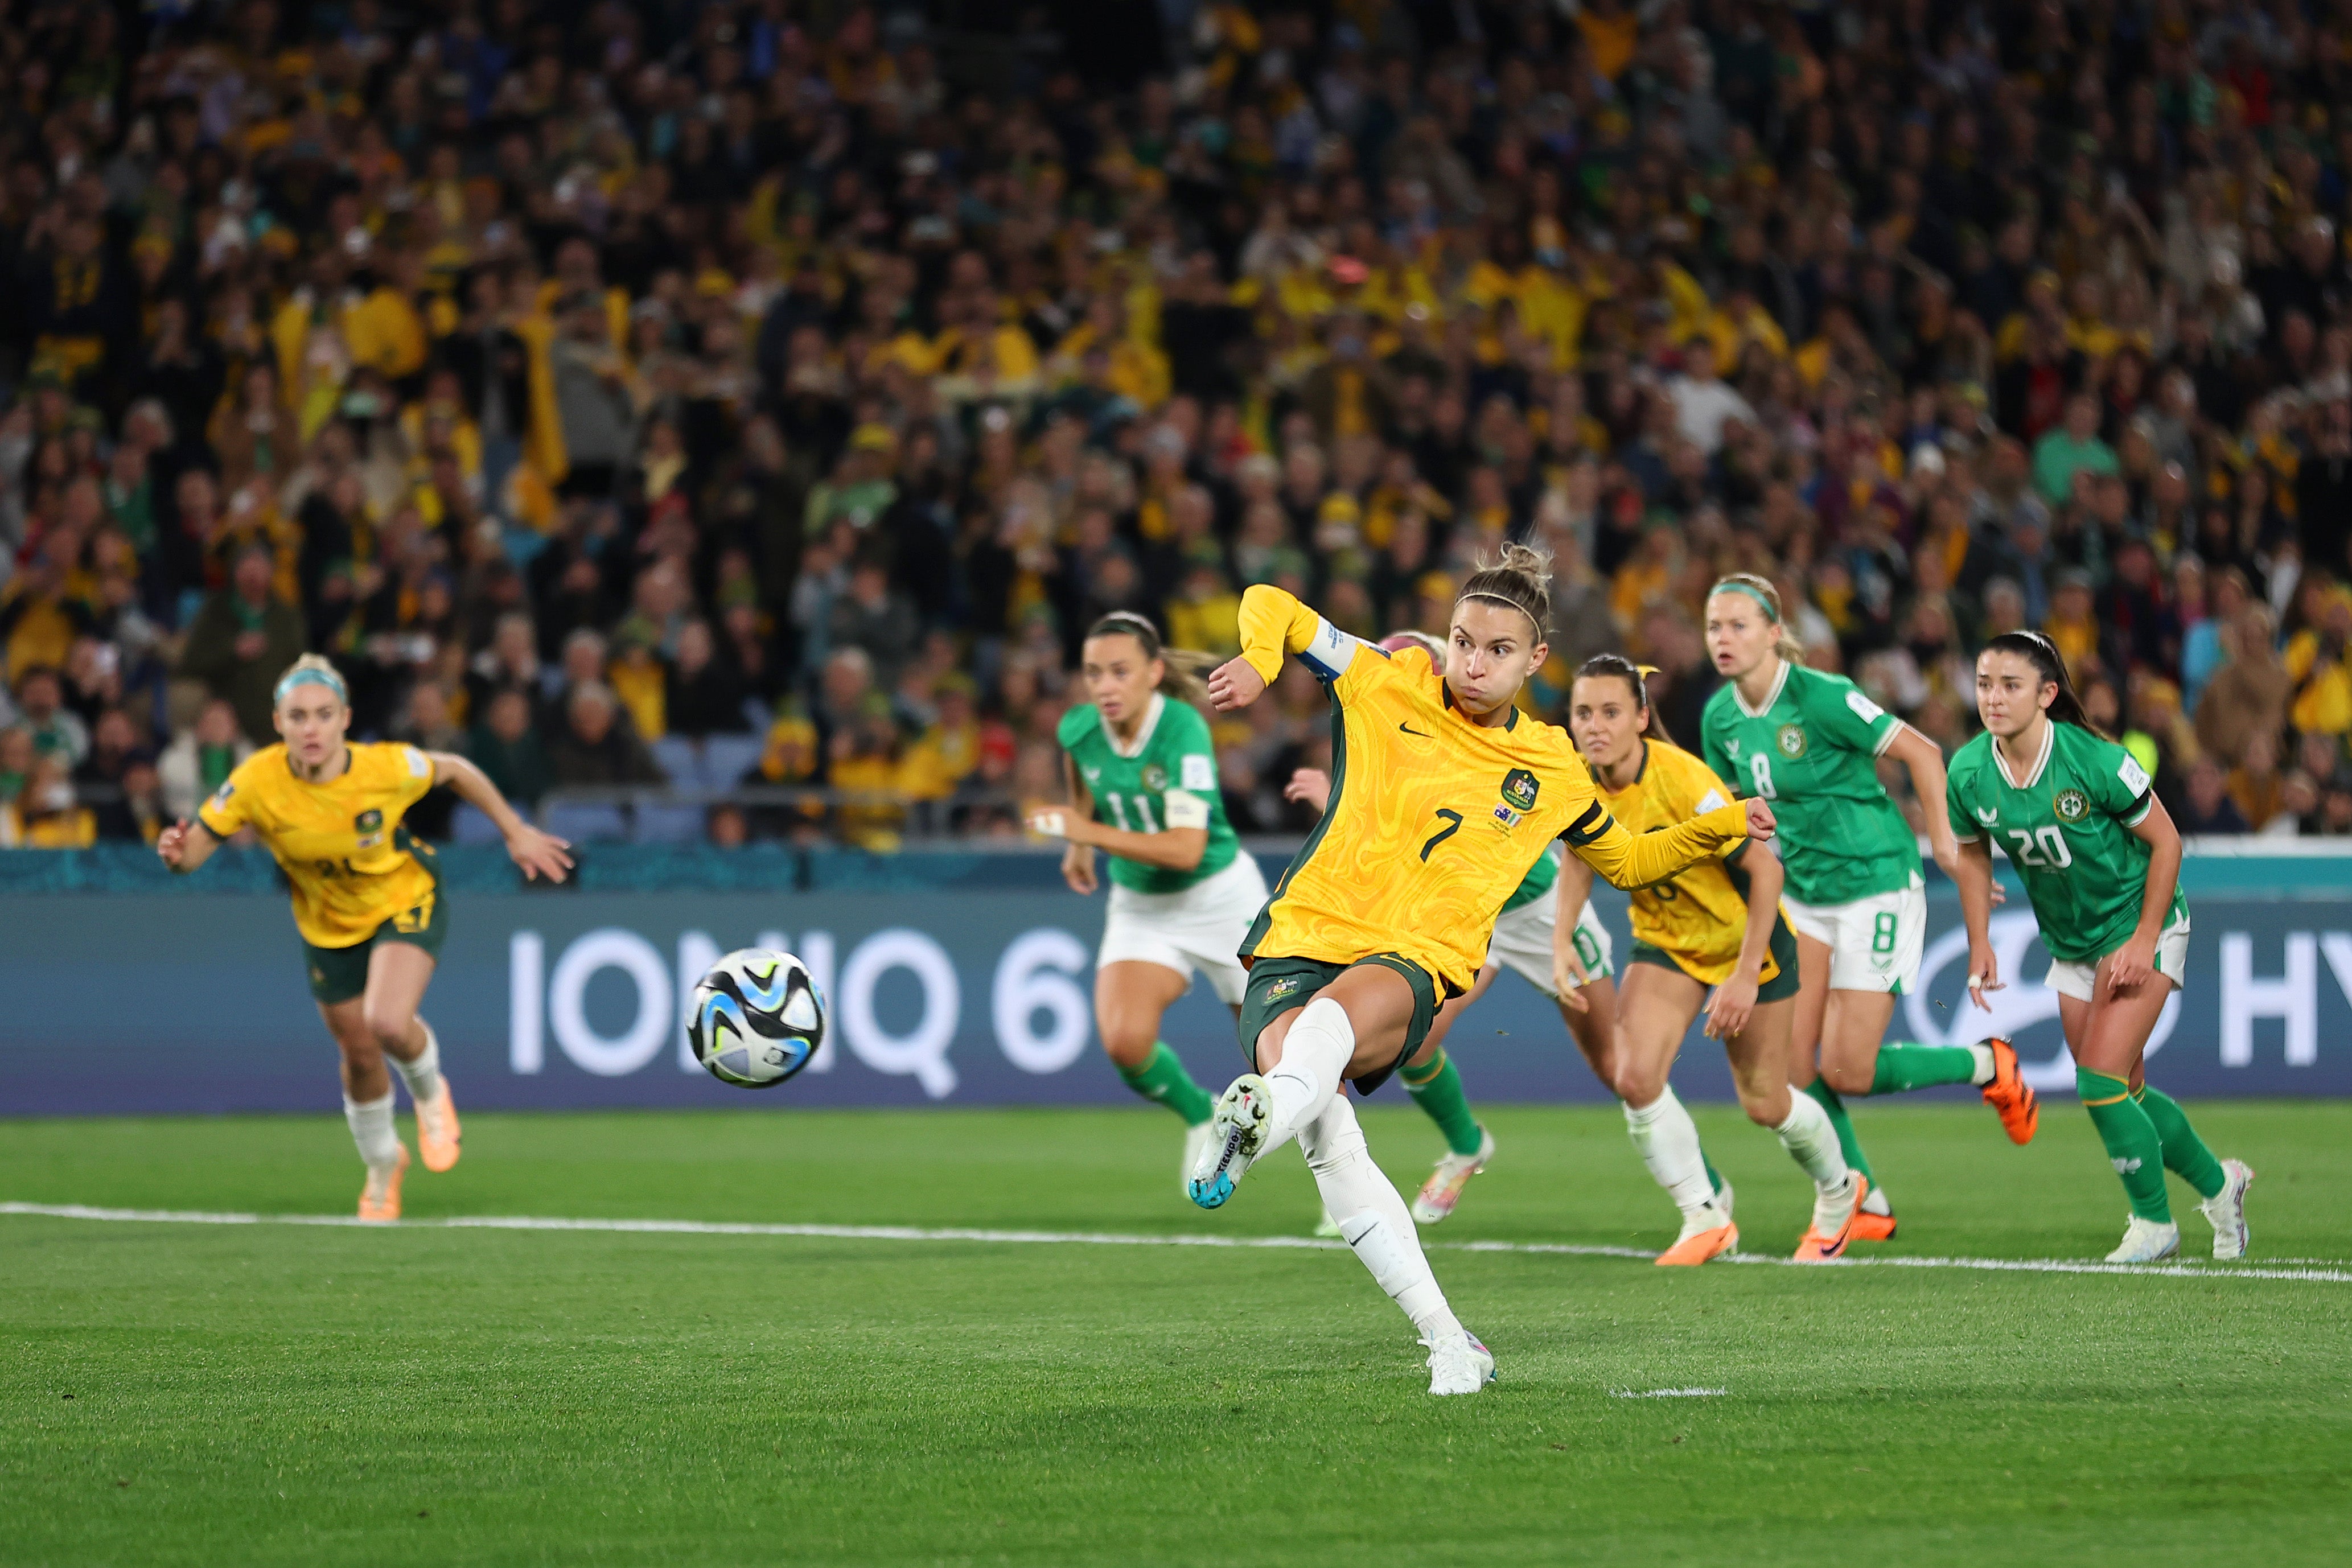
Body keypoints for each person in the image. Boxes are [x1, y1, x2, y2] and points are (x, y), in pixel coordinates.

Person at [1192, 549, 1775, 1395]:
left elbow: (1628, 859)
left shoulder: (1550, 764)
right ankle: (1450, 1339)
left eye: (1497, 650)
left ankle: (1256, 1117)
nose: (1472, 661)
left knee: (1324, 1038)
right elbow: (1271, 598)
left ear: (1537, 660)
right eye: (1463, 641)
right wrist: (1259, 654)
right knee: (1324, 1126)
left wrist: (1718, 831)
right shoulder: (1387, 678)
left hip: (1411, 956)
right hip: (1299, 935)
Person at [155, 656, 573, 1221]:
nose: (311, 728)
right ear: (278, 722)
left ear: (345, 719)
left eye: (324, 714)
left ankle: (430, 1094)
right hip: (326, 927)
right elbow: (196, 849)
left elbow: (453, 769)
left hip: (404, 900)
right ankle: (383, 1164)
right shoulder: (256, 780)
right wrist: (177, 856)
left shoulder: (384, 767)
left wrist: (516, 831)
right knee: (356, 1050)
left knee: (386, 1022)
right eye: (298, 716)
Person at [1282, 630, 1675, 1232]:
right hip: (1468, 922)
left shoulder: (1478, 732)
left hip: (1539, 909)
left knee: (1620, 1069)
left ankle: (1700, 1193)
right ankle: (1462, 1147)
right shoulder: (1399, 733)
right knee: (1410, 1041)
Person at [1699, 573, 2042, 1240]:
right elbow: (1735, 814)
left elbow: (1922, 750)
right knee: (1794, 1073)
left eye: (1739, 625)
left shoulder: (1821, 697)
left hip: (1877, 883)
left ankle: (1986, 1063)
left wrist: (1943, 841)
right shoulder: (1719, 719)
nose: (1724, 638)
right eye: (1714, 626)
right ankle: (1864, 1199)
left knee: (1846, 1070)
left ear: (1775, 633)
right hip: (1802, 892)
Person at [1948, 632, 2254, 1262]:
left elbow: (2167, 843)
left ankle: (2153, 1224)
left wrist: (2144, 941)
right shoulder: (1968, 771)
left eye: (2010, 685)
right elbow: (1971, 854)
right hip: (2072, 944)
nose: (1993, 698)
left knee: (2098, 1080)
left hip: (2142, 924)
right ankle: (2223, 1187)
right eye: (1984, 684)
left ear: (2047, 693)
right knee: (2127, 1090)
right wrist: (1979, 940)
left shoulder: (2093, 760)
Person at [1559, 656, 1863, 1262]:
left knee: (1766, 1103)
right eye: (1583, 712)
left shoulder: (1682, 781)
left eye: (1611, 712)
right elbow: (1575, 855)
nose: (1595, 726)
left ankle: (1840, 1189)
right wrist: (1560, 936)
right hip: (1668, 942)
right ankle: (1703, 1213)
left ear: (1642, 717)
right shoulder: (1575, 780)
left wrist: (1745, 976)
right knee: (1634, 1076)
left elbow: (1764, 867)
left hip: (1744, 943)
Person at [1025, 612, 1267, 1190]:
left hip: (1220, 898)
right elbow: (1080, 770)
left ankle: (1340, 1180)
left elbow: (1186, 850)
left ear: (1154, 672)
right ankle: (1200, 1116)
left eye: (1119, 672)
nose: (1104, 686)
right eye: (1092, 673)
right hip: (1142, 904)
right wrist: (1080, 843)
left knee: (1275, 1055)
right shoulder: (1080, 728)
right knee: (1125, 1042)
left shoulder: (1181, 728)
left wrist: (1086, 834)